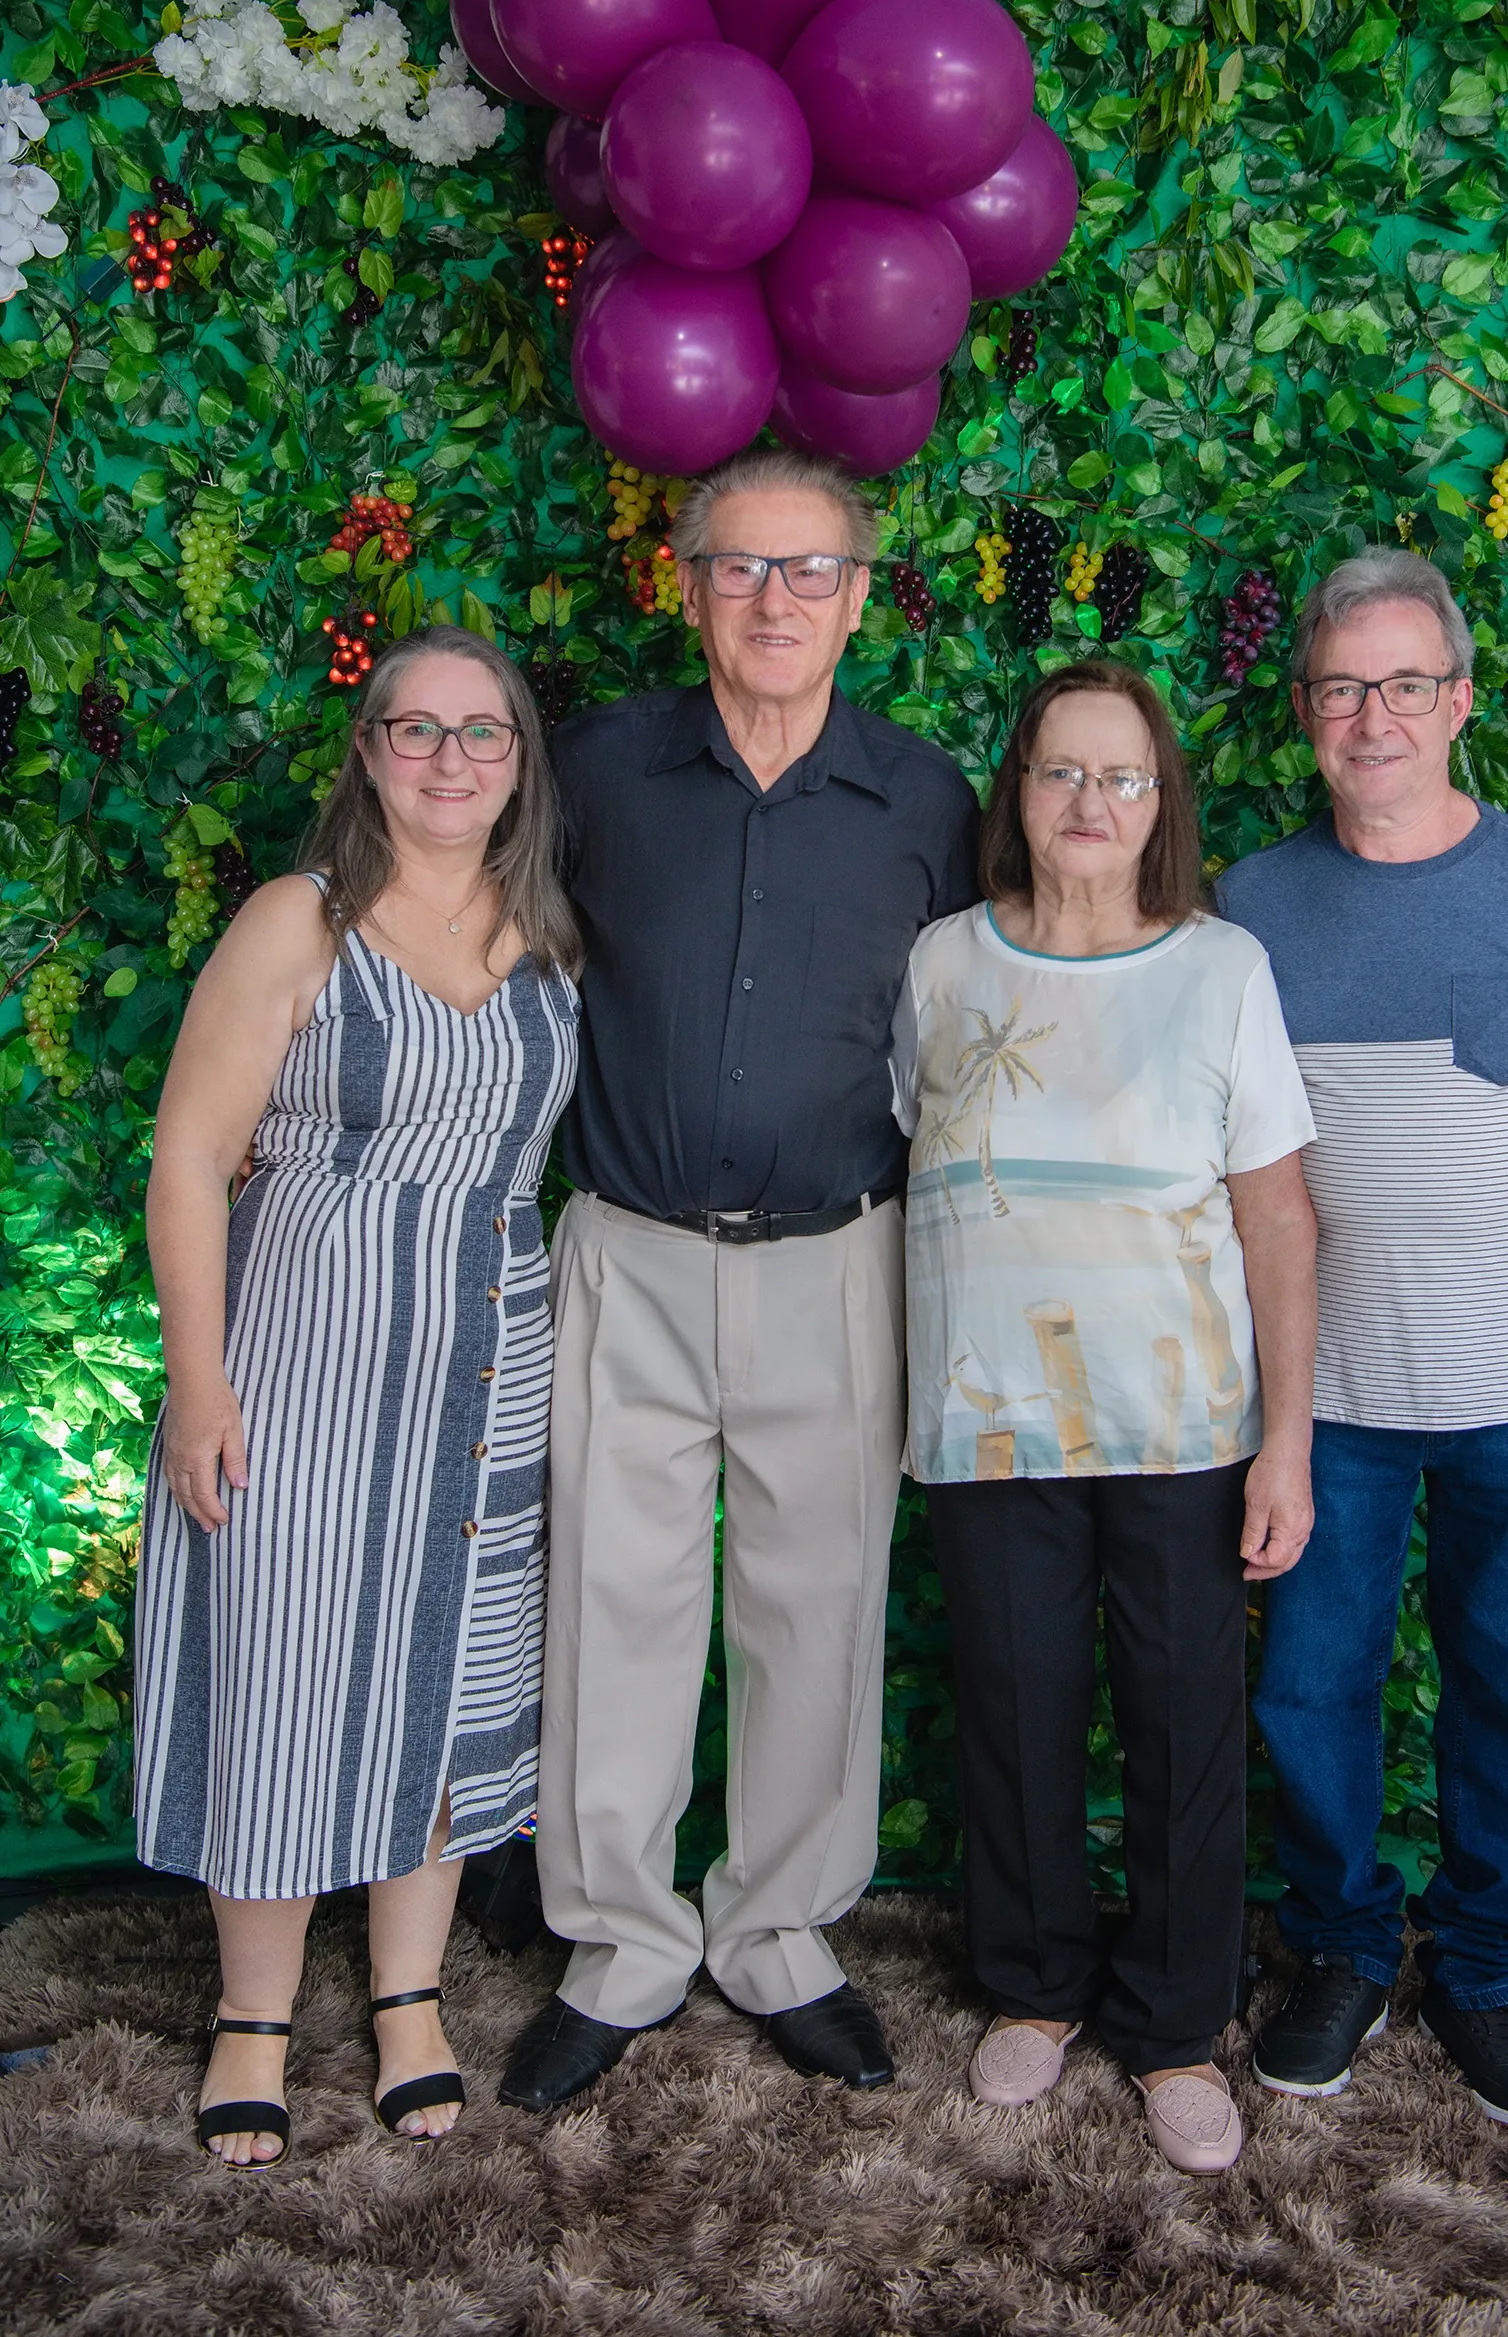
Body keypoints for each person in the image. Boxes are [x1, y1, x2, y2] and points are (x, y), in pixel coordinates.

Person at [499, 448, 980, 2112]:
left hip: (837, 1262)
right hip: (626, 1254)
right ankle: (620, 1943)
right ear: (688, 585)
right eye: (740, 569)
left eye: (808, 572)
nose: (773, 601)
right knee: (614, 1607)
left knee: (816, 1612)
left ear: (860, 594)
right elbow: (472, 948)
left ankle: (780, 1930)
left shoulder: (928, 802)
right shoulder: (595, 772)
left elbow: (979, 1042)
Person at [1217, 550, 1508, 2131]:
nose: (1374, 715)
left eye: (1406, 683)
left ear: (1460, 701)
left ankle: (1480, 1970)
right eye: (1343, 687)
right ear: (1308, 713)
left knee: (1505, 1686)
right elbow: (1238, 1138)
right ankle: (1341, 1947)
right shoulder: (1257, 902)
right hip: (1325, 1390)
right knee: (1313, 1687)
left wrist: (1477, 1187)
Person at [134, 627, 581, 2166]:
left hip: (488, 1354)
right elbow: (191, 1153)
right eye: (417, 730)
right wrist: (200, 1382)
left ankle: (408, 1997)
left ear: (520, 761)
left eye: (484, 733)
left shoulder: (552, 937)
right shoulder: (299, 921)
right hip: (305, 1355)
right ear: (370, 749)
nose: (451, 759)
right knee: (281, 1658)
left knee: (449, 1677)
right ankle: (253, 2015)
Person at [893, 660, 1319, 2174]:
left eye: (1122, 778)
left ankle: (1174, 2022)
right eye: (1062, 772)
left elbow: (1277, 1215)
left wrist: (1289, 1438)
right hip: (986, 1418)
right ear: (1019, 789)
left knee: (1182, 1722)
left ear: (1162, 804)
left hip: (1184, 1423)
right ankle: (1033, 1984)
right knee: (1010, 1710)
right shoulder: (943, 964)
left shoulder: (1222, 969)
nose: (1090, 803)